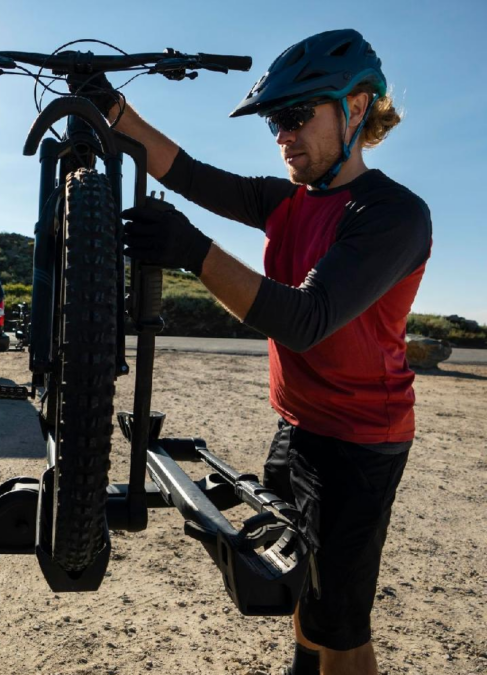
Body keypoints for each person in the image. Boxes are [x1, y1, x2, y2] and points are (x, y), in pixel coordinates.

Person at [71, 29, 431, 675]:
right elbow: (186, 172)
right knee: (300, 585)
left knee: (341, 623)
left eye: (295, 116)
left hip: (359, 444)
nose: (282, 135)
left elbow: (306, 319)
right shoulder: (287, 199)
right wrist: (109, 107)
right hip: (298, 427)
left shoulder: (392, 214)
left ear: (355, 107)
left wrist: (192, 251)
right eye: (274, 120)